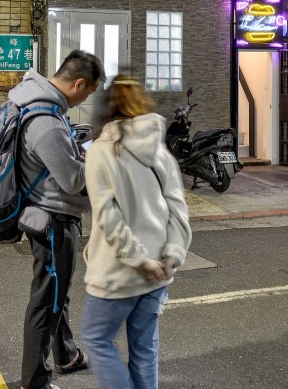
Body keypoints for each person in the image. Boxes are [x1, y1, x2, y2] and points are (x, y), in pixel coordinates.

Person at [81, 76, 192, 389]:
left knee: (96, 340)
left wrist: (138, 259)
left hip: (118, 273)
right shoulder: (161, 154)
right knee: (144, 349)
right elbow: (177, 210)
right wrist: (172, 255)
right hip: (158, 272)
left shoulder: (101, 151)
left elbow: (107, 216)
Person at [11, 49, 103, 389]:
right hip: (53, 219)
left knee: (56, 293)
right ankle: (34, 381)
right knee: (45, 300)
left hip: (48, 213)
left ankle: (65, 355)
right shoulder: (46, 120)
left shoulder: (37, 103)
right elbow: (73, 180)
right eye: (89, 92)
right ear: (78, 83)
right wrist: (99, 159)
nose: (87, 98)